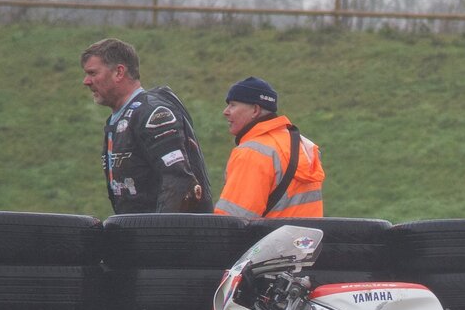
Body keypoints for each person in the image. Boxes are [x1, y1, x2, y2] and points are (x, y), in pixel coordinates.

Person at [80, 38, 213, 215]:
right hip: (137, 236)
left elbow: (178, 180)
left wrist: (155, 236)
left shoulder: (153, 113)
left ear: (119, 72)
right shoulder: (120, 118)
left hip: (167, 238)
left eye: (92, 73)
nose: (86, 81)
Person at [214, 76, 325, 219]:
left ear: (255, 110)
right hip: (306, 240)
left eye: (233, 105)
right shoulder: (303, 145)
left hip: (268, 240)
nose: (226, 111)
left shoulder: (252, 153)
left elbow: (232, 221)